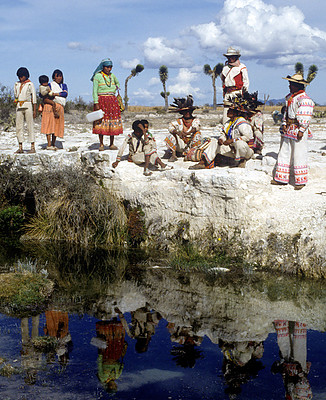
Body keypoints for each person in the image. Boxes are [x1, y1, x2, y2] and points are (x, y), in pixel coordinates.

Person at [271, 73, 314, 190]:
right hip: (289, 128)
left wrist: (302, 129)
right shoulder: (290, 97)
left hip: (297, 128)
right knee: (284, 151)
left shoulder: (305, 99)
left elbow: (305, 115)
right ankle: (281, 178)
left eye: (291, 84)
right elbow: (286, 113)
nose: (289, 86)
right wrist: (284, 123)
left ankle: (300, 180)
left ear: (297, 85)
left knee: (299, 153)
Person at [189, 101, 254, 169]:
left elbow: (247, 137)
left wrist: (232, 140)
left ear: (236, 113)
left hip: (246, 151)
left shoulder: (242, 123)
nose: (227, 112)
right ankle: (203, 162)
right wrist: (221, 139)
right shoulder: (228, 123)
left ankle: (242, 161)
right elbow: (223, 134)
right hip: (233, 150)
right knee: (214, 142)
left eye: (230, 110)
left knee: (239, 143)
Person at [272, 320, 312, 399]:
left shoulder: (294, 396)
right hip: (297, 370)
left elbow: (289, 385)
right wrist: (300, 375)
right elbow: (294, 384)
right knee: (298, 348)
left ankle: (286, 324)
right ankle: (297, 323)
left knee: (288, 348)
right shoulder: (304, 397)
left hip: (291, 369)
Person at [91, 58, 123, 151]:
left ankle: (111, 144)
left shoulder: (112, 76)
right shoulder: (97, 76)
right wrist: (96, 103)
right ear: (103, 67)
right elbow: (94, 90)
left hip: (112, 101)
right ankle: (101, 144)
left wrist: (116, 87)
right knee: (101, 122)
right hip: (101, 101)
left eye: (110, 67)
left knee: (112, 122)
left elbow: (118, 83)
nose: (109, 69)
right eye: (107, 67)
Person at [165, 95, 202, 162]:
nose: (187, 113)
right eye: (185, 111)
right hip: (181, 144)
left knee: (198, 134)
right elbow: (170, 127)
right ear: (182, 112)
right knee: (171, 136)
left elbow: (196, 127)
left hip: (191, 144)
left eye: (189, 111)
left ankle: (191, 153)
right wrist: (178, 132)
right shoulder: (178, 121)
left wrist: (188, 133)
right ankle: (173, 155)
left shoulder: (195, 120)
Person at [221, 47, 249, 124]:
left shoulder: (241, 67)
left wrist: (244, 93)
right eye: (229, 57)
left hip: (238, 93)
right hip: (228, 94)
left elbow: (246, 81)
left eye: (232, 57)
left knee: (238, 113)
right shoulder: (225, 68)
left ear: (236, 57)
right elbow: (223, 82)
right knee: (226, 113)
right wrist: (224, 93)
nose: (230, 59)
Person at [14, 67, 37, 154]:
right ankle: (20, 147)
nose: (20, 78)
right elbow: (16, 95)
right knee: (19, 126)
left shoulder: (30, 84)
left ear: (26, 76)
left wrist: (34, 110)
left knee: (30, 126)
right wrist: (16, 101)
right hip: (19, 106)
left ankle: (32, 146)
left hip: (28, 105)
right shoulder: (16, 84)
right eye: (19, 76)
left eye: (22, 76)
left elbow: (34, 98)